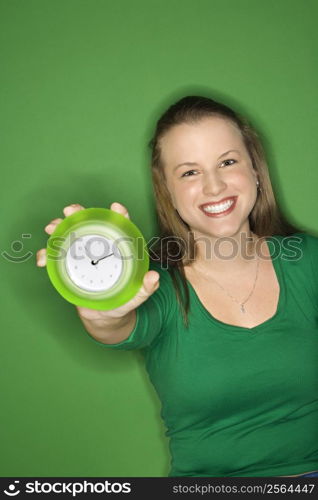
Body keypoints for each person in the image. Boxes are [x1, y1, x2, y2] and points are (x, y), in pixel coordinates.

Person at [36, 95, 318, 478]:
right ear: (167, 190)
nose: (214, 186)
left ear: (255, 171)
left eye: (228, 162)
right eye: (189, 173)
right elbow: (113, 326)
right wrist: (99, 308)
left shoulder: (309, 261)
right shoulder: (154, 281)